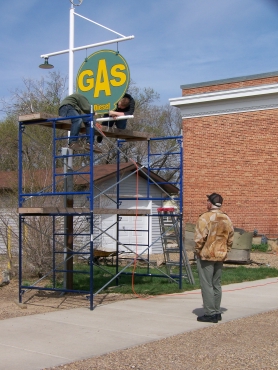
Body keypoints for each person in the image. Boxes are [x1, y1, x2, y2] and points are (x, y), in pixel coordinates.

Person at [194, 193, 234, 323]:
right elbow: (231, 237)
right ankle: (217, 312)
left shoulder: (205, 218)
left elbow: (200, 238)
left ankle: (209, 313)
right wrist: (226, 251)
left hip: (206, 255)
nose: (206, 203)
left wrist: (198, 251)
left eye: (207, 201)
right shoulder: (226, 218)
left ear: (210, 203)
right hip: (221, 254)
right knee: (217, 284)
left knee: (207, 284)